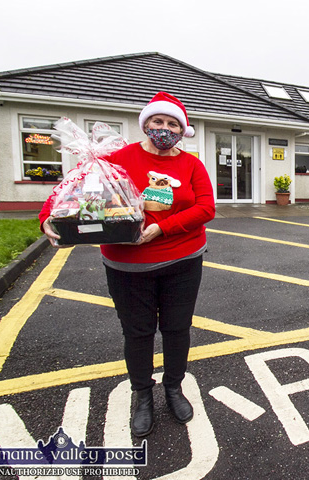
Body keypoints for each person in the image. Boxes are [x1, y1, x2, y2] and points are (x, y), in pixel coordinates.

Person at [39, 92, 215, 437]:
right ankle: (143, 396)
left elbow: (206, 208)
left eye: (172, 123)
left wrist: (161, 228)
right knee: (138, 333)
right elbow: (69, 191)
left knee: (177, 330)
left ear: (183, 130)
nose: (164, 129)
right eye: (158, 121)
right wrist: (47, 217)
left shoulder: (191, 164)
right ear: (145, 124)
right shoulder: (115, 159)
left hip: (183, 260)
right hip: (128, 266)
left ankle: (174, 388)